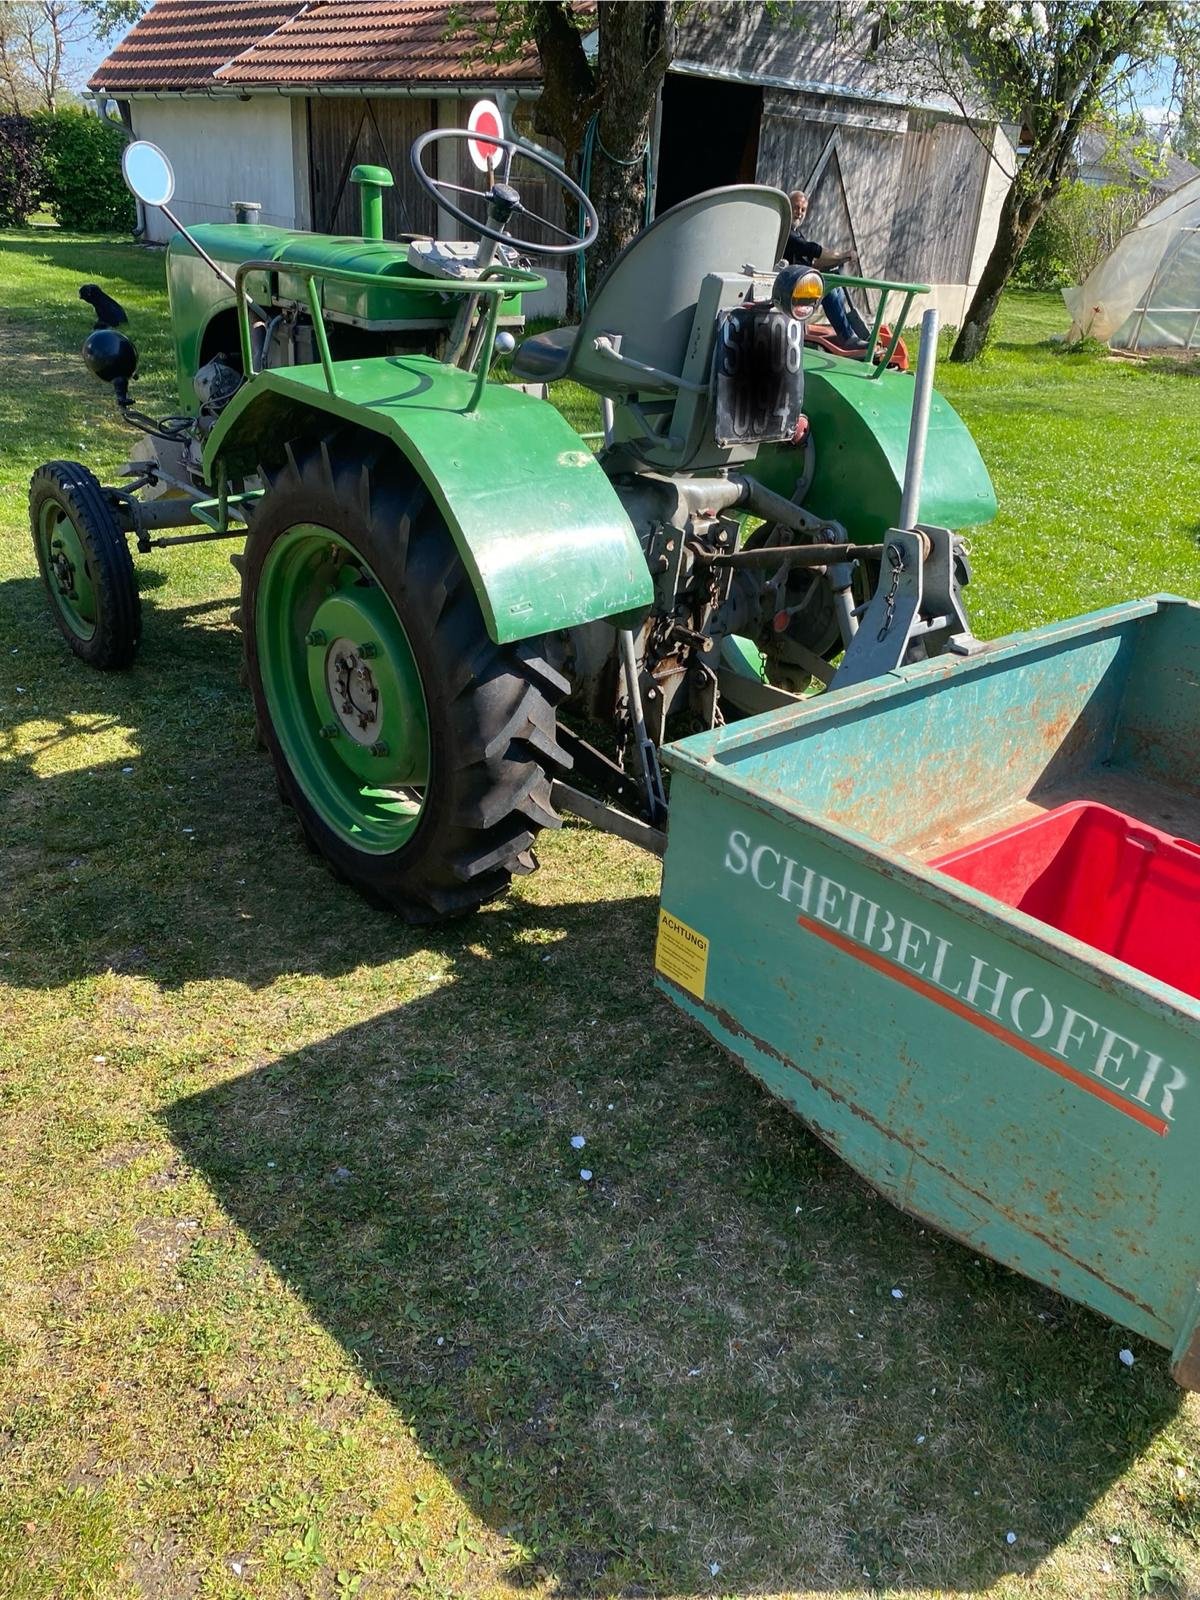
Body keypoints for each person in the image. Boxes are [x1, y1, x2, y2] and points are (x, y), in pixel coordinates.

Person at [783, 189, 871, 350]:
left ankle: (851, 331)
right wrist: (841, 254)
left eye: (803, 210)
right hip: (789, 289)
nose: (799, 213)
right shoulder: (785, 232)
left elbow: (812, 262)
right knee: (828, 288)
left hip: (799, 285)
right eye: (796, 207)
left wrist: (838, 260)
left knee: (833, 283)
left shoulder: (796, 233)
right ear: (787, 207)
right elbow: (809, 249)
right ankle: (847, 337)